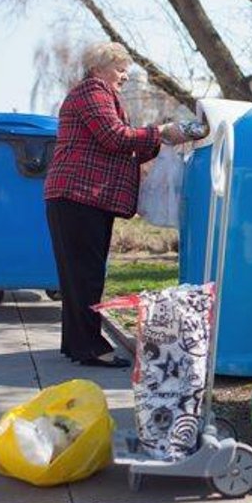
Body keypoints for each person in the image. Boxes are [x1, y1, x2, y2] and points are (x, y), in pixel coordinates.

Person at [44, 41, 199, 368]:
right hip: (80, 195)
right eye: (121, 68)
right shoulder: (93, 92)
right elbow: (115, 137)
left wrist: (159, 144)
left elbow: (120, 145)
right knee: (85, 275)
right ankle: (90, 348)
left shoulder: (100, 95)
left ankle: (77, 344)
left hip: (79, 197)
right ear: (100, 67)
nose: (125, 76)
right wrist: (159, 132)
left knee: (79, 275)